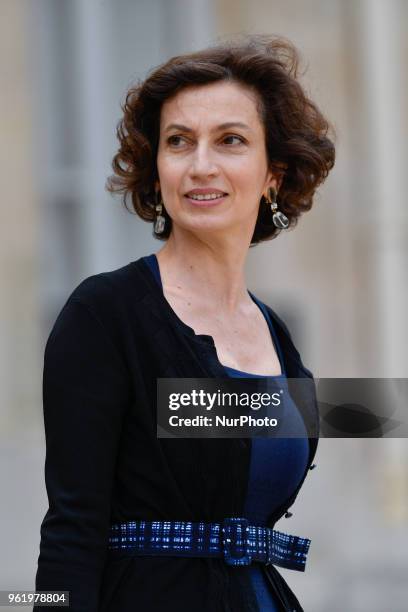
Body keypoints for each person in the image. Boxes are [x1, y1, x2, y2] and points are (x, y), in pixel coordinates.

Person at [34, 34, 335, 611]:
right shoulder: (103, 314)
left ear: (274, 172)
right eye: (179, 142)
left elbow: (221, 423)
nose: (201, 166)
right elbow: (71, 531)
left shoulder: (277, 337)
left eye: (230, 140)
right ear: (157, 168)